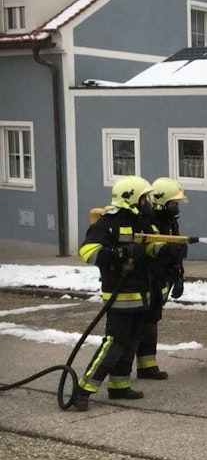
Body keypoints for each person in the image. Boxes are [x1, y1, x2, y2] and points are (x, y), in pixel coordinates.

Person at [73, 176, 164, 411]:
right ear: (131, 197)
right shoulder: (108, 222)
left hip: (141, 294)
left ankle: (119, 386)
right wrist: (121, 253)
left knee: (131, 343)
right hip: (120, 295)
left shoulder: (143, 221)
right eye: (145, 197)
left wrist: (168, 249)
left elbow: (153, 244)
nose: (149, 202)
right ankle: (83, 390)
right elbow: (88, 251)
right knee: (113, 344)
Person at [135, 177, 188, 380]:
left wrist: (179, 277)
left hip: (159, 281)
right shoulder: (148, 223)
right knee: (139, 324)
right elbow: (148, 251)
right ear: (161, 201)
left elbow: (174, 254)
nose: (176, 207)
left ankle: (147, 365)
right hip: (147, 281)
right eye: (173, 203)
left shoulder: (169, 222)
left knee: (151, 322)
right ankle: (123, 369)